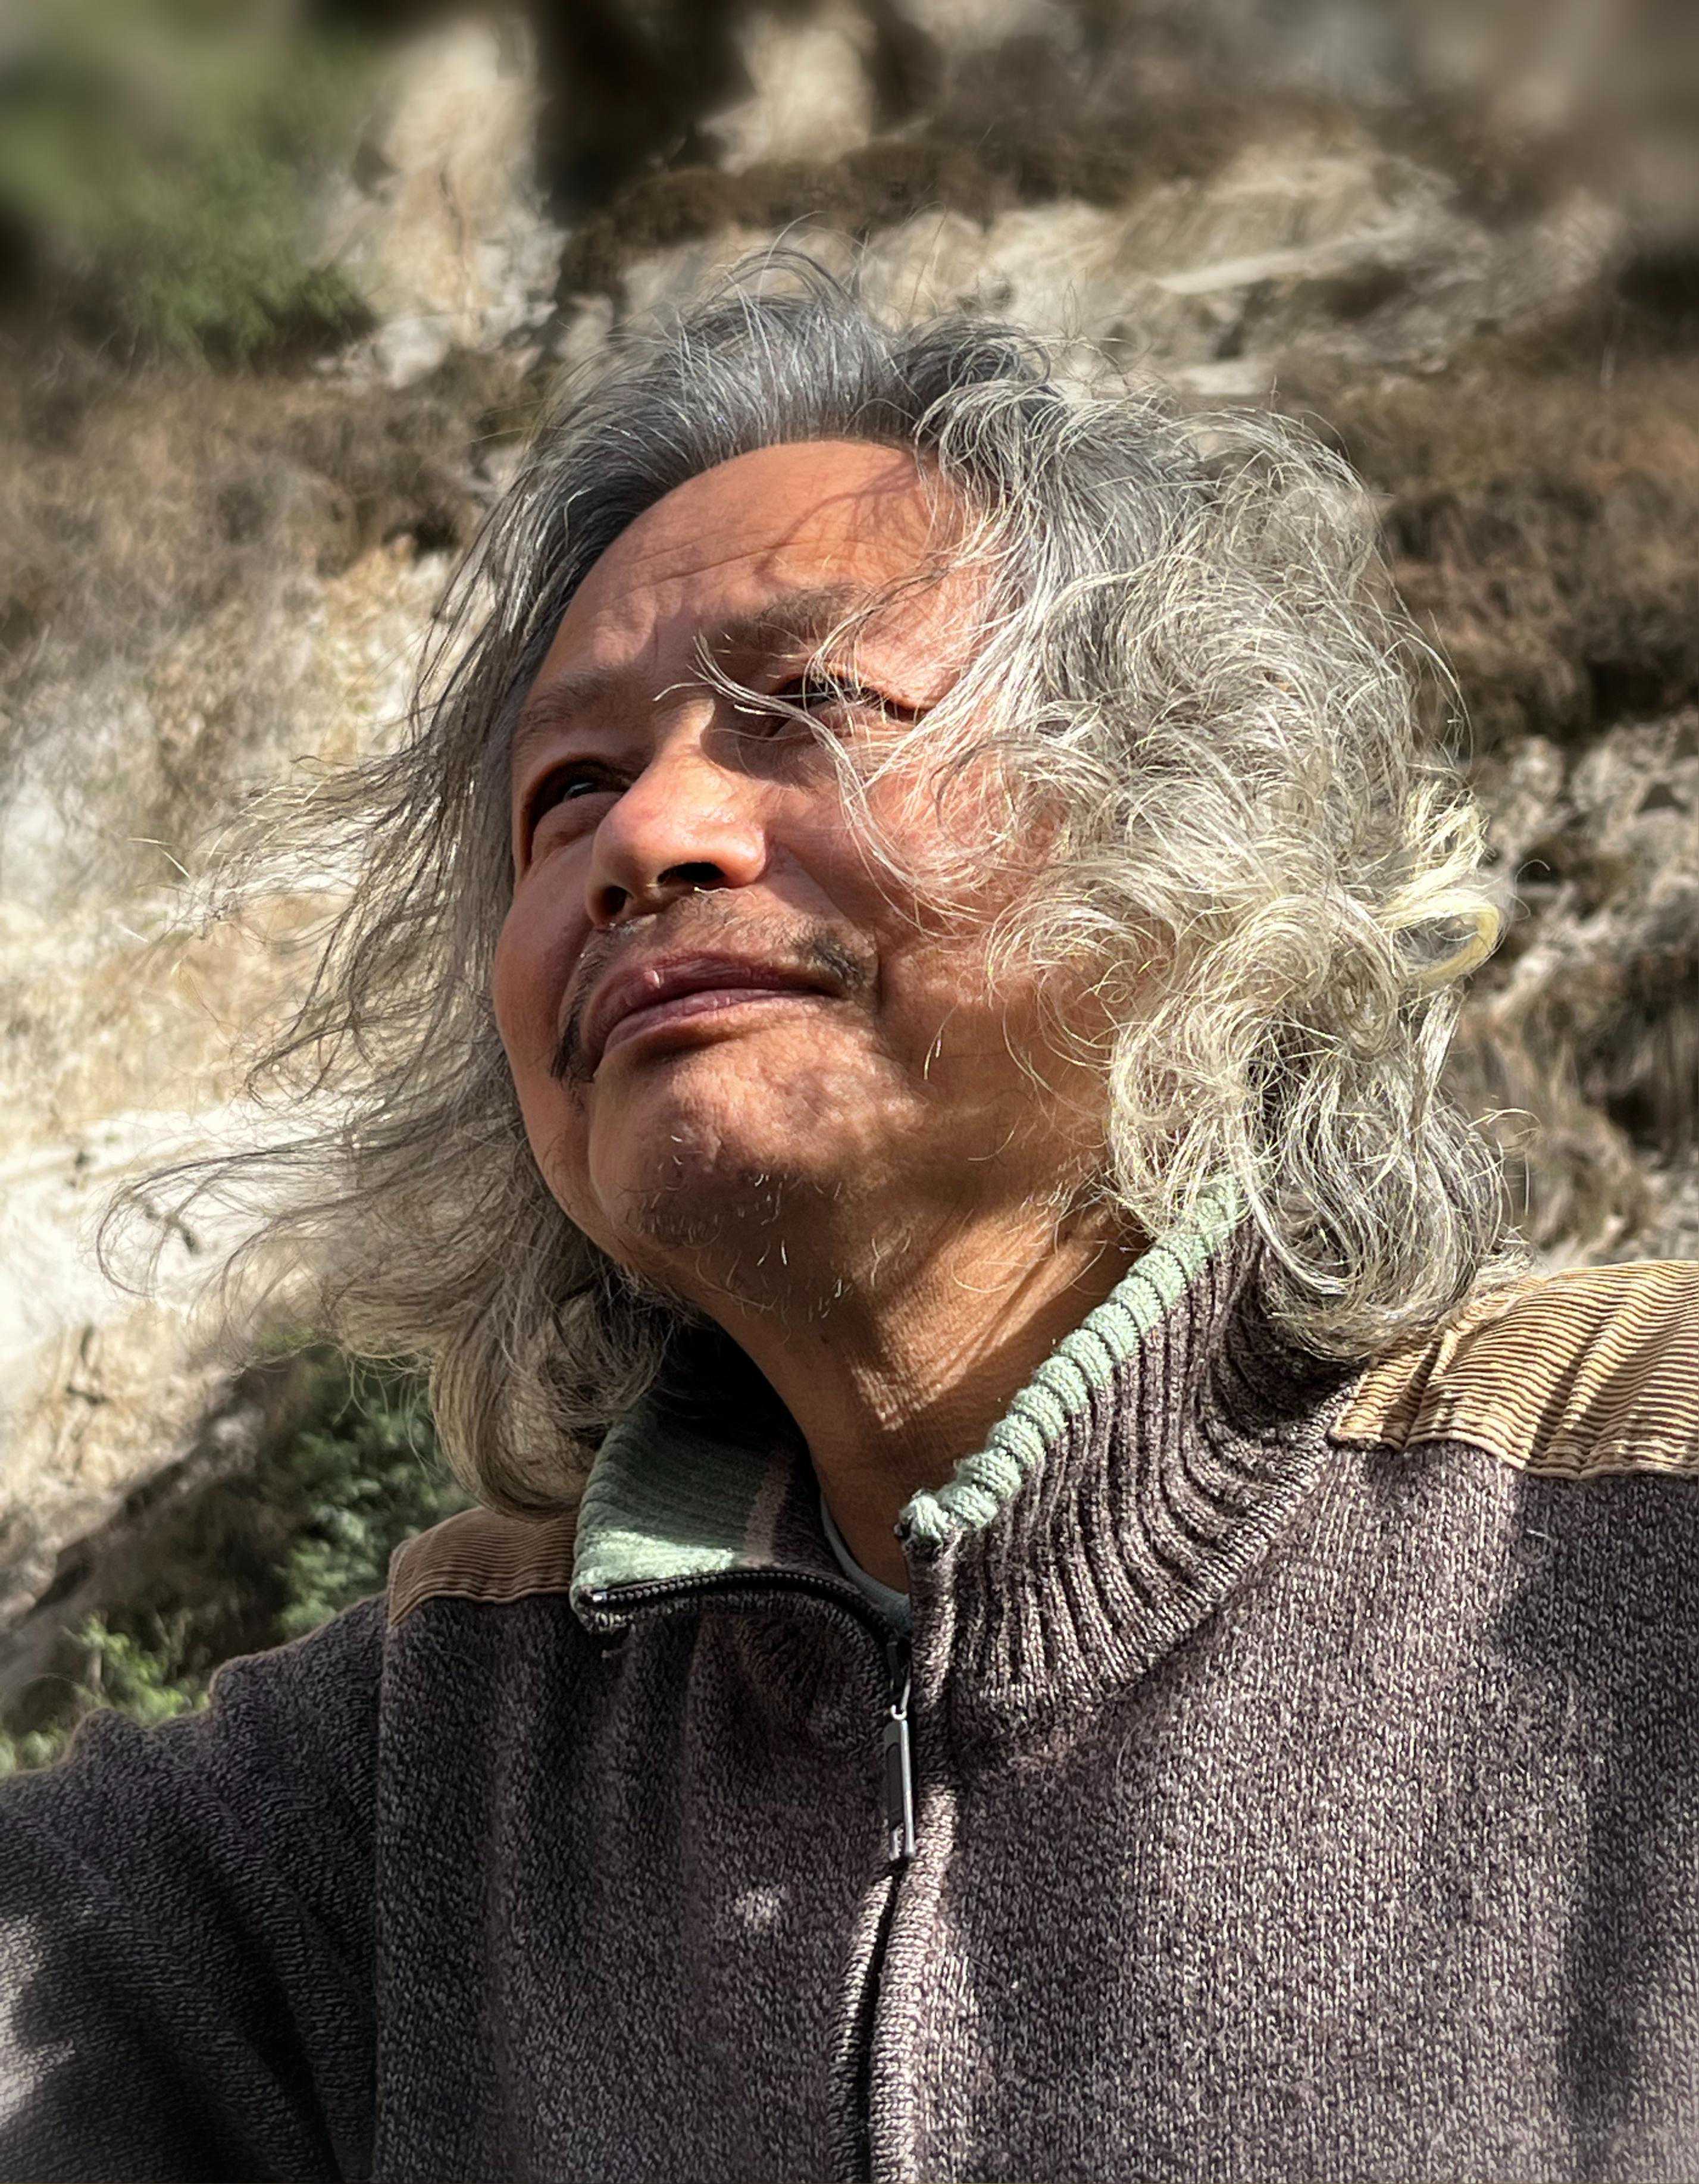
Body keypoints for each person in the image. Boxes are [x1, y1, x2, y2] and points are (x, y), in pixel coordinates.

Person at [3, 261, 1696, 2184]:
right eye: (566, 791)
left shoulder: (1632, 1527)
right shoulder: (405, 1782)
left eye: (809, 704)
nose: (646, 838)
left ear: (1178, 826)